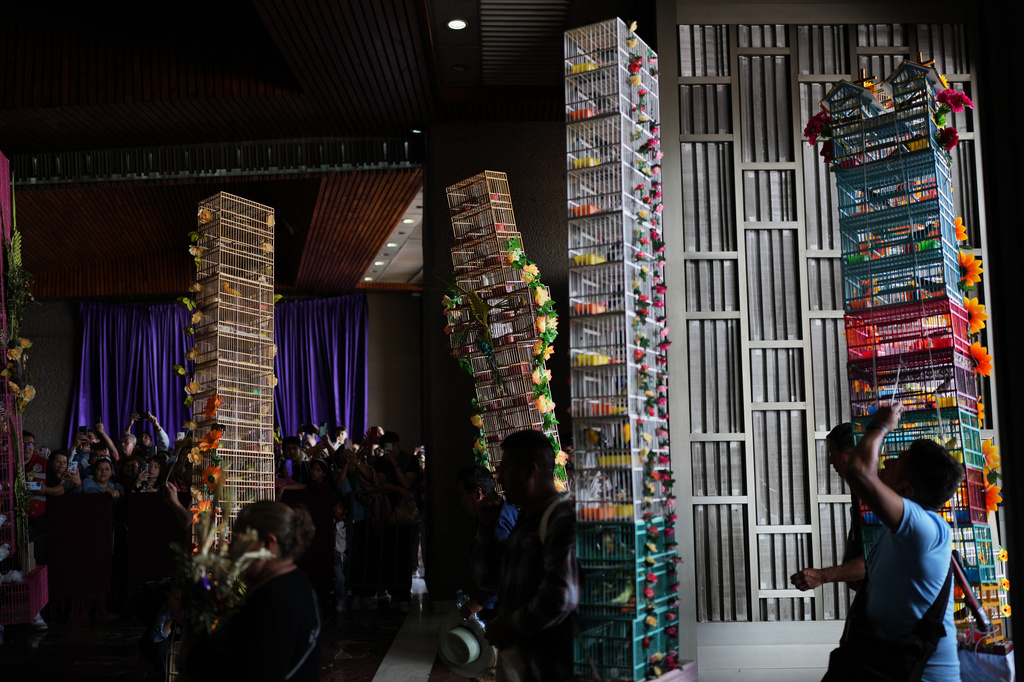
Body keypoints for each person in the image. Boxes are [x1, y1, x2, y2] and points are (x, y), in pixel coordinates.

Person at [824, 404, 963, 681]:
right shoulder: (897, 531)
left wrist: (881, 426)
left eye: (897, 461)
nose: (886, 462)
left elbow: (860, 472)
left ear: (906, 489)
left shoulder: (928, 529)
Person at [476, 430, 579, 681]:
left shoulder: (561, 516)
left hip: (548, 667)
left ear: (530, 470)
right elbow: (488, 581)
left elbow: (562, 596)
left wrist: (510, 627)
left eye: (506, 467)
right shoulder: (525, 518)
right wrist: (487, 530)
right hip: (522, 664)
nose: (500, 475)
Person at [184, 501, 321, 682]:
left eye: (238, 539)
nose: (230, 548)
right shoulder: (294, 581)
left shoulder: (277, 599)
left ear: (267, 543)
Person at [790, 422, 864, 591]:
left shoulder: (874, 492)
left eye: (834, 454)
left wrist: (823, 575)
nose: (831, 461)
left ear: (852, 454)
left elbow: (874, 560)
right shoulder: (857, 489)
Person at [457, 463, 517, 621]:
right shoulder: (492, 513)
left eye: (463, 495)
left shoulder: (498, 520)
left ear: (478, 493)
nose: (462, 503)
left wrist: (480, 602)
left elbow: (506, 570)